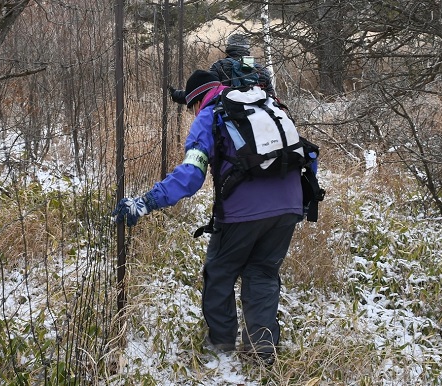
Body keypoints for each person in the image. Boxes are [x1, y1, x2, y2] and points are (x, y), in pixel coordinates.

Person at [113, 69, 305, 365]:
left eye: (191, 108)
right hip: (290, 205)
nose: (193, 113)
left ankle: (222, 344)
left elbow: (190, 176)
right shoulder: (266, 105)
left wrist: (146, 202)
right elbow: (306, 154)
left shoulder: (210, 115)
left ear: (196, 101)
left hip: (243, 213)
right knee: (263, 274)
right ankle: (261, 351)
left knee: (220, 272)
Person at [169, 33, 275, 104]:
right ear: (247, 49)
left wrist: (175, 95)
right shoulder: (261, 70)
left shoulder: (219, 66)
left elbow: (203, 93)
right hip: (259, 126)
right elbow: (272, 99)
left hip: (229, 122)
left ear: (228, 48)